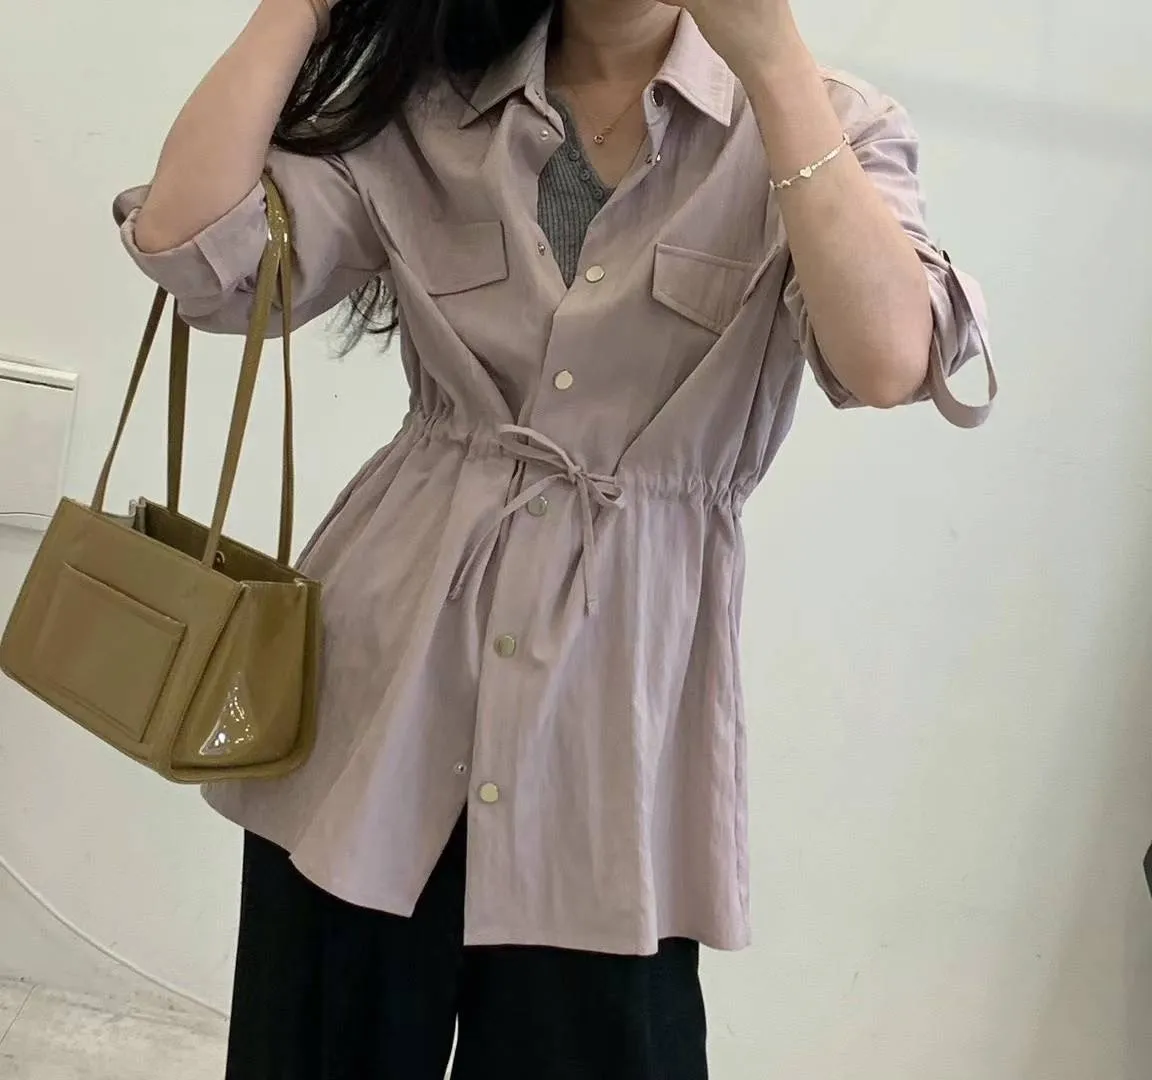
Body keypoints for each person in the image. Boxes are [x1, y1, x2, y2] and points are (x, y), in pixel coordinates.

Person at [113, 0, 995, 1075]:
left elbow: (888, 359)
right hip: (379, 698)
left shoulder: (828, 124)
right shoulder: (432, 109)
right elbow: (193, 249)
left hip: (611, 736)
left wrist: (771, 59)